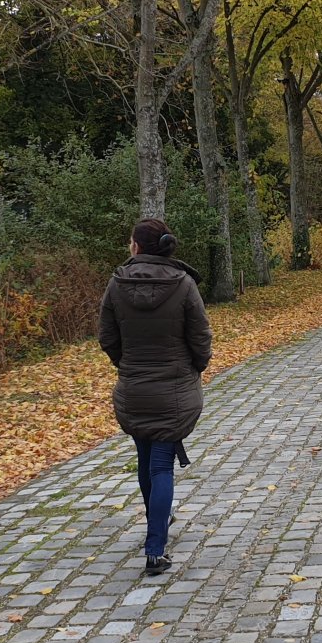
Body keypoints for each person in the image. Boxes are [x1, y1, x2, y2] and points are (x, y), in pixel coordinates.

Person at [98, 218, 212, 576]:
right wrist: (192, 368)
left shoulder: (116, 285)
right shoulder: (184, 284)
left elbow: (107, 336)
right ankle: (155, 548)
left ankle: (156, 523)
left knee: (146, 459)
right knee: (160, 465)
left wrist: (127, 365)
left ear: (137, 246)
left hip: (134, 387)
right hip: (174, 389)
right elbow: (201, 337)